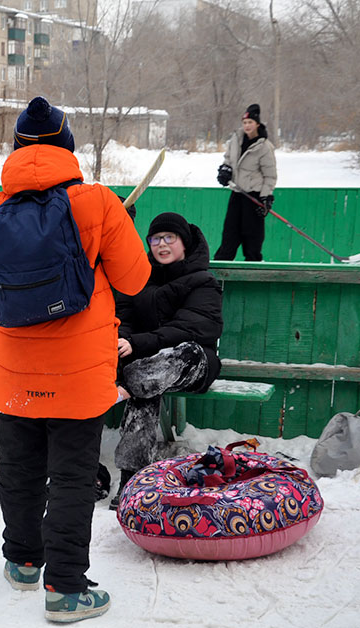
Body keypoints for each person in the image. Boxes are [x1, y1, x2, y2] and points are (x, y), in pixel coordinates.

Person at [0, 96, 151, 624]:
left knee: (23, 471)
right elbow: (136, 281)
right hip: (78, 374)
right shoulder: (96, 201)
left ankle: (23, 563)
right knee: (72, 478)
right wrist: (118, 224)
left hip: (13, 372)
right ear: (66, 146)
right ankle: (67, 590)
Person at [111, 212, 223, 509]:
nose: (161, 244)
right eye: (155, 239)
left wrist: (137, 343)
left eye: (169, 238)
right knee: (146, 387)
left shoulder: (203, 281)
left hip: (191, 362)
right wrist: (122, 339)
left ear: (183, 242)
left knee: (181, 352)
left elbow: (191, 329)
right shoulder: (138, 277)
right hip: (147, 367)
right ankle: (130, 480)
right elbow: (124, 318)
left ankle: (128, 384)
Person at [214, 103, 278, 261]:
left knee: (252, 241)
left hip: (254, 198)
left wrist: (265, 197)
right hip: (237, 194)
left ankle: (254, 270)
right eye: (245, 122)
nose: (247, 126)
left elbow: (270, 176)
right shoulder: (236, 139)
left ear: (257, 124)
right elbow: (228, 159)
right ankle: (219, 271)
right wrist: (225, 170)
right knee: (229, 236)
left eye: (250, 122)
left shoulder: (264, 147)